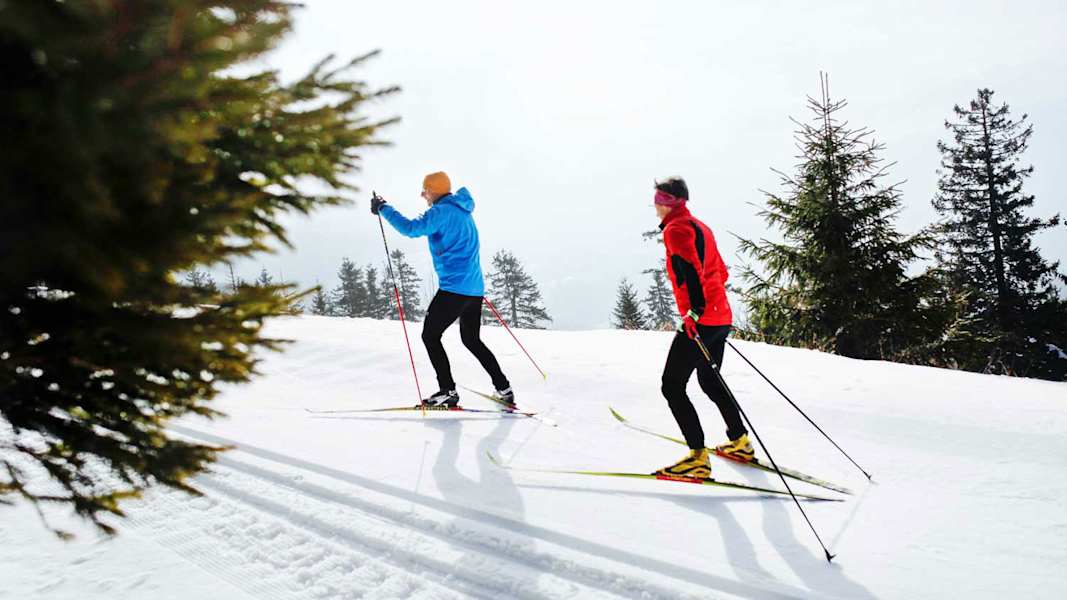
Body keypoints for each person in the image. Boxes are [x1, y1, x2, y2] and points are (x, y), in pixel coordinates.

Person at [371, 171, 514, 408]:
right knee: (471, 340)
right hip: (473, 289)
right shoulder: (463, 210)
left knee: (430, 335)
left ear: (434, 191)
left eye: (425, 190)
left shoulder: (441, 212)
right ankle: (503, 387)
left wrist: (384, 208)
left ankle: (447, 390)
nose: (422, 194)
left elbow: (410, 229)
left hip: (454, 289)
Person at [651, 177, 753, 479]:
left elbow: (692, 273)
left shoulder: (676, 229)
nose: (654, 204)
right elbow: (720, 271)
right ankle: (740, 442)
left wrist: (694, 312)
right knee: (709, 380)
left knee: (672, 386)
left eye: (658, 198)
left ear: (670, 202)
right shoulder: (700, 226)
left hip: (701, 320)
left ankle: (697, 457)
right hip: (720, 317)